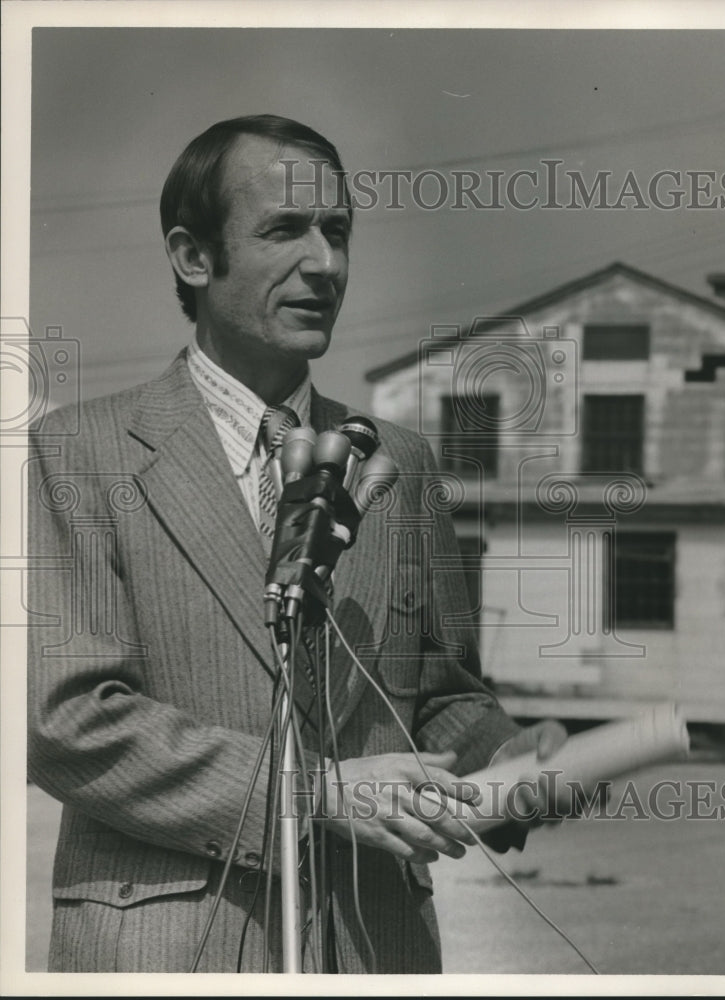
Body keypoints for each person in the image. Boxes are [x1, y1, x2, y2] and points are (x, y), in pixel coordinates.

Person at [27, 114, 566, 974]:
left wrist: (513, 760)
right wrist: (312, 794)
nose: (326, 263)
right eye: (284, 229)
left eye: (338, 231)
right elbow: (64, 721)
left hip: (370, 944)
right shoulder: (79, 453)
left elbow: (435, 690)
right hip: (164, 950)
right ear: (193, 257)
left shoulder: (401, 462)